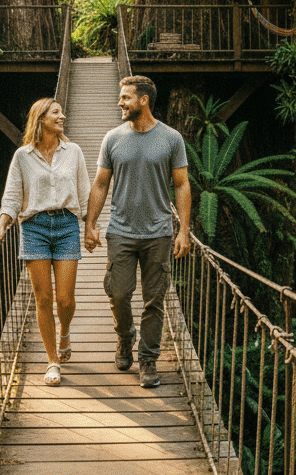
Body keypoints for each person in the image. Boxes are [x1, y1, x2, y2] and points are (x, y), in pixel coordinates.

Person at [83, 75, 191, 389]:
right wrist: (90, 225)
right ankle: (124, 336)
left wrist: (184, 231)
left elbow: (182, 185)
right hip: (121, 231)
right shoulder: (112, 138)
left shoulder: (172, 139)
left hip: (158, 232)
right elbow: (101, 184)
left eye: (126, 98)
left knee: (154, 300)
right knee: (117, 293)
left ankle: (147, 360)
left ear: (143, 100)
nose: (120, 103)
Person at [0, 98, 90, 386]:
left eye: (61, 112)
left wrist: (90, 227)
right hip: (33, 227)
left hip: (67, 225)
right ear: (41, 118)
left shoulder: (73, 152)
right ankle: (52, 361)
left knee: (65, 299)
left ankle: (65, 331)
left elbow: (84, 191)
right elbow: (11, 195)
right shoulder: (23, 156)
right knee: (44, 298)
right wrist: (2, 225)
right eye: (56, 113)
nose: (62, 116)